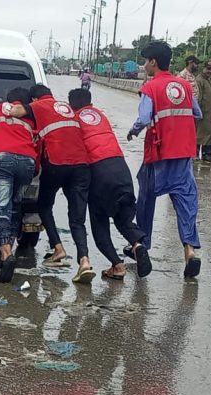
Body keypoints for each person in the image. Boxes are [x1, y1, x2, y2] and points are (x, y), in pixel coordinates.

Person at [127, 41, 204, 279]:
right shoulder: (184, 86)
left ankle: (142, 245)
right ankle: (189, 251)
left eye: (145, 61)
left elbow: (144, 117)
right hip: (183, 154)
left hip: (158, 153)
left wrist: (133, 130)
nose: (144, 65)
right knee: (185, 202)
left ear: (153, 62)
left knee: (146, 198)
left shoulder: (151, 88)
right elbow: (197, 113)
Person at [10, 84, 96, 283]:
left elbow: (16, 111)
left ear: (33, 99)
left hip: (57, 163)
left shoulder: (39, 106)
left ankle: (58, 248)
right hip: (81, 165)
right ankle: (84, 262)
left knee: (44, 206)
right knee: (77, 218)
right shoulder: (64, 106)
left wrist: (3, 106)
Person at [68, 88, 152, 281]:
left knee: (100, 225)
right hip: (120, 168)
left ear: (72, 105)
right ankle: (137, 245)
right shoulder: (101, 115)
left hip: (99, 172)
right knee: (123, 217)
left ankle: (118, 265)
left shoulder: (74, 120)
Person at [0, 87, 38, 283]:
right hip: (27, 162)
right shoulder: (30, 118)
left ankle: (6, 253)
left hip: (1, 159)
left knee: (1, 208)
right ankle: (10, 248)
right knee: (15, 207)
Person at [195, 60, 211, 162]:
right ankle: (195, 154)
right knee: (200, 135)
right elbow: (198, 97)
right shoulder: (199, 80)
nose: (210, 71)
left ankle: (207, 154)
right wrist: (198, 112)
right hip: (203, 113)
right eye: (208, 69)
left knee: (210, 134)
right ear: (203, 68)